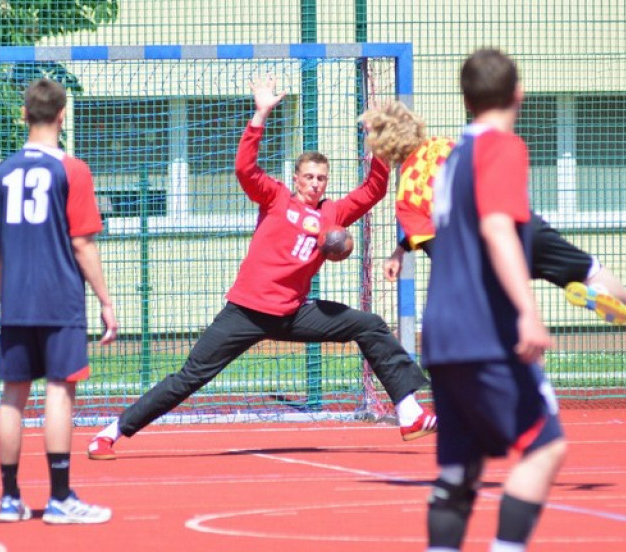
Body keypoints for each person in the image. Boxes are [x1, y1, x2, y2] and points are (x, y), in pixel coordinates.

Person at [87, 75, 437, 460]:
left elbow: (374, 190)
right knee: (189, 378)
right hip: (246, 312)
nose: (315, 184)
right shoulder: (275, 198)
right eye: (309, 177)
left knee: (369, 325)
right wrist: (260, 115)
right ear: (296, 178)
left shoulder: (333, 214)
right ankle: (109, 433)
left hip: (292, 313)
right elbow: (245, 169)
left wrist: (378, 146)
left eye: (322, 179)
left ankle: (408, 412)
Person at [401, 48, 567, 552]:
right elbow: (498, 227)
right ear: (517, 93)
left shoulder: (450, 160)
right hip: (482, 329)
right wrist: (528, 311)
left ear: (465, 98)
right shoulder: (503, 148)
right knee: (545, 448)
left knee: (460, 469)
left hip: (443, 332)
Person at [361, 101, 626, 324]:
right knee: (615, 293)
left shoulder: (407, 195)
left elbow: (442, 248)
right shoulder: (446, 145)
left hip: (491, 252)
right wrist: (401, 249)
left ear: (381, 146)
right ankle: (598, 291)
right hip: (521, 224)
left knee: (509, 327)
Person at [0, 78, 118, 524]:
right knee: (60, 391)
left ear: (24, 114)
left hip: (16, 299)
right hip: (59, 297)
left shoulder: (3, 172)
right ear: (63, 115)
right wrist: (105, 300)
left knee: (13, 396)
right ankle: (60, 498)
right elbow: (82, 243)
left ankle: (9, 497)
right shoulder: (72, 170)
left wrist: (5, 298)